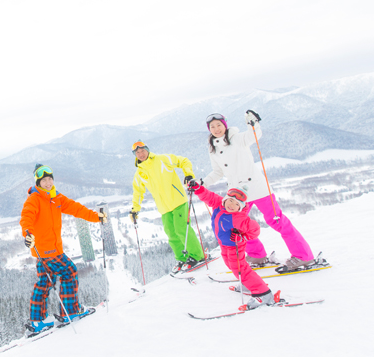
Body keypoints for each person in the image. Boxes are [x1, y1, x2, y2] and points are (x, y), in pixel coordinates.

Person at [202, 111, 315, 271]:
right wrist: (202, 183)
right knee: (239, 226)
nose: (216, 129)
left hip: (258, 188)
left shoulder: (237, 138)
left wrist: (252, 123)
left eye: (219, 125)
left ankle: (304, 256)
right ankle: (257, 256)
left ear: (225, 125)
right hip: (237, 195)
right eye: (212, 126)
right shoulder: (212, 148)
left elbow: (253, 135)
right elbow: (217, 172)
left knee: (277, 221)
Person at [20, 164, 106, 334]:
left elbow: (76, 208)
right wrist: (28, 233)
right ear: (38, 182)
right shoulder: (34, 199)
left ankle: (38, 321)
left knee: (44, 282)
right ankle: (71, 311)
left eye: (50, 179)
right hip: (49, 250)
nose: (48, 182)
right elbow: (26, 216)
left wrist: (96, 217)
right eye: (44, 180)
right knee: (70, 272)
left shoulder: (56, 198)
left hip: (44, 251)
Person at [187, 180, 275, 309]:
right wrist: (198, 188)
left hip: (235, 246)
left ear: (241, 206)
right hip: (224, 244)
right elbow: (209, 196)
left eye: (236, 204)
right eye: (230, 200)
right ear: (225, 199)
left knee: (240, 268)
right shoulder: (219, 204)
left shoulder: (238, 217)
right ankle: (247, 283)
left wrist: (242, 237)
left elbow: (255, 229)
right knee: (231, 265)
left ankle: (263, 293)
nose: (232, 205)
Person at [130, 141, 205, 273]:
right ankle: (182, 258)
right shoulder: (139, 174)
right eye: (137, 153)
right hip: (164, 207)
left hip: (178, 200)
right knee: (171, 233)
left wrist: (188, 174)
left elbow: (184, 161)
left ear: (147, 150)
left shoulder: (162, 159)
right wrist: (135, 209)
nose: (141, 154)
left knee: (182, 229)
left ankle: (197, 255)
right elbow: (138, 193)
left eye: (142, 151)